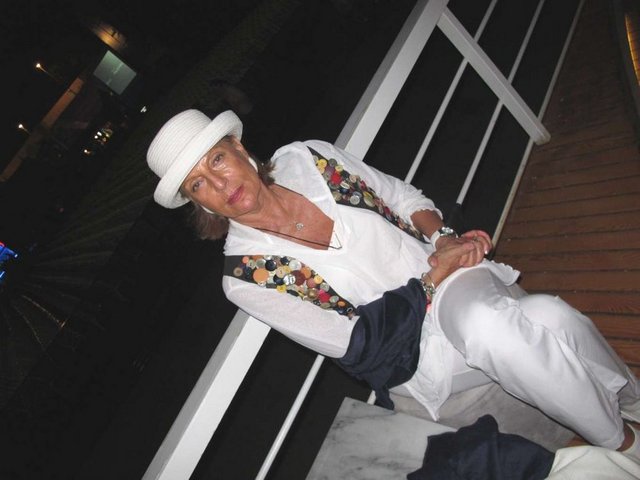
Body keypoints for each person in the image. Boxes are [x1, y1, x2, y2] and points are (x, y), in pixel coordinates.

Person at [146, 109, 640, 458]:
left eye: (216, 160)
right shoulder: (246, 276)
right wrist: (432, 276)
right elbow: (359, 345)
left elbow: (400, 196)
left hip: (456, 286)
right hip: (412, 351)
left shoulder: (308, 159)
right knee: (548, 316)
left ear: (238, 148)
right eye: (198, 184)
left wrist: (443, 238)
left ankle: (622, 441)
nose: (219, 184)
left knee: (490, 325)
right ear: (200, 204)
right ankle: (626, 430)